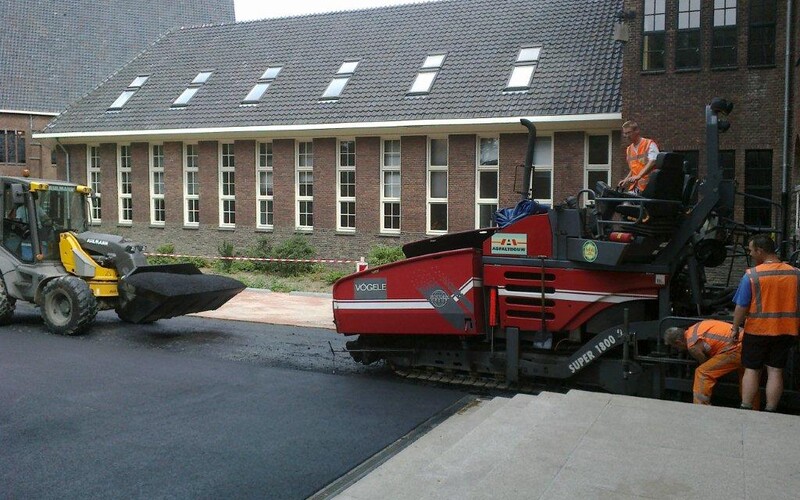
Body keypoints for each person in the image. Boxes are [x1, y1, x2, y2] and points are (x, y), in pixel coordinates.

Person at [731, 234, 800, 411]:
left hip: (757, 331)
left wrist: (734, 328)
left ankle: (746, 407)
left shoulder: (752, 275)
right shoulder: (796, 274)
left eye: (751, 250)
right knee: (776, 371)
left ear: (760, 251)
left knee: (752, 370)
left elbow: (741, 306)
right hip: (786, 330)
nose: (751, 254)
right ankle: (771, 410)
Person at [664, 319, 753, 406]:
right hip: (748, 342)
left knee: (702, 372)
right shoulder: (695, 328)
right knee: (748, 378)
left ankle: (701, 407)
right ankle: (752, 407)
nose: (678, 349)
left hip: (735, 348)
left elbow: (704, 362)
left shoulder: (692, 345)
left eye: (675, 347)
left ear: (678, 342)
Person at [618, 120, 659, 194]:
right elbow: (633, 169)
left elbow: (653, 161)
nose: (627, 136)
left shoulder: (649, 144)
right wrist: (626, 180)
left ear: (637, 131)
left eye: (629, 133)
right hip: (635, 187)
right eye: (625, 133)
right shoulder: (629, 149)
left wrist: (639, 176)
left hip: (650, 187)